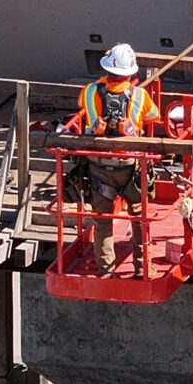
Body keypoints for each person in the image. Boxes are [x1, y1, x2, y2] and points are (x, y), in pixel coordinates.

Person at [64, 43, 163, 274]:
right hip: (130, 165)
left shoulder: (89, 92)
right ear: (130, 73)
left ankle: (105, 269)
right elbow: (153, 115)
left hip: (98, 165)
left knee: (102, 219)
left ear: (106, 70)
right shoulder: (140, 95)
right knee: (139, 217)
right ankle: (142, 268)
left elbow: (82, 106)